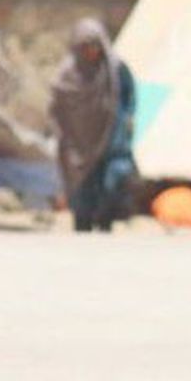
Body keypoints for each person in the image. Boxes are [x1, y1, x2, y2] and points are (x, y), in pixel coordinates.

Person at [48, 18, 137, 233]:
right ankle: (82, 224)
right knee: (81, 188)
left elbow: (128, 97)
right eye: (86, 47)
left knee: (112, 181)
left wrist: (126, 120)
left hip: (110, 136)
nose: (92, 52)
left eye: (95, 46)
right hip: (78, 142)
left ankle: (105, 222)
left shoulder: (115, 70)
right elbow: (57, 107)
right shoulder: (68, 74)